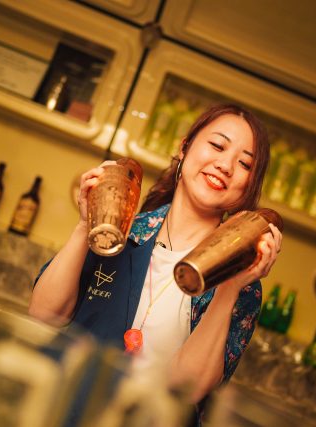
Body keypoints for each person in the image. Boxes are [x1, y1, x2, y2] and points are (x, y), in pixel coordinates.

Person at [29, 103, 282, 424]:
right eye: (217, 146)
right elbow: (44, 315)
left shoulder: (243, 283)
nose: (225, 165)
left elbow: (188, 388)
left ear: (249, 185)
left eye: (245, 163)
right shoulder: (117, 228)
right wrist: (84, 225)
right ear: (184, 148)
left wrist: (230, 286)